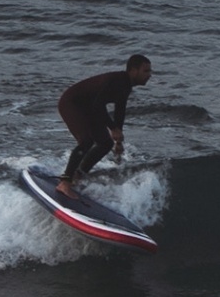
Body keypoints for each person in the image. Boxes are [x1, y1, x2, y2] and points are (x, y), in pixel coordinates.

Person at [57, 56, 152, 194]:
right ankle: (65, 182)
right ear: (133, 70)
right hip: (72, 103)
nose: (149, 75)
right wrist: (112, 128)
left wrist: (118, 140)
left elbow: (120, 111)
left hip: (87, 107)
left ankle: (78, 175)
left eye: (149, 71)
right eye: (146, 71)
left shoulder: (126, 86)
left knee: (106, 143)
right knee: (86, 141)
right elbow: (98, 105)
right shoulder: (117, 81)